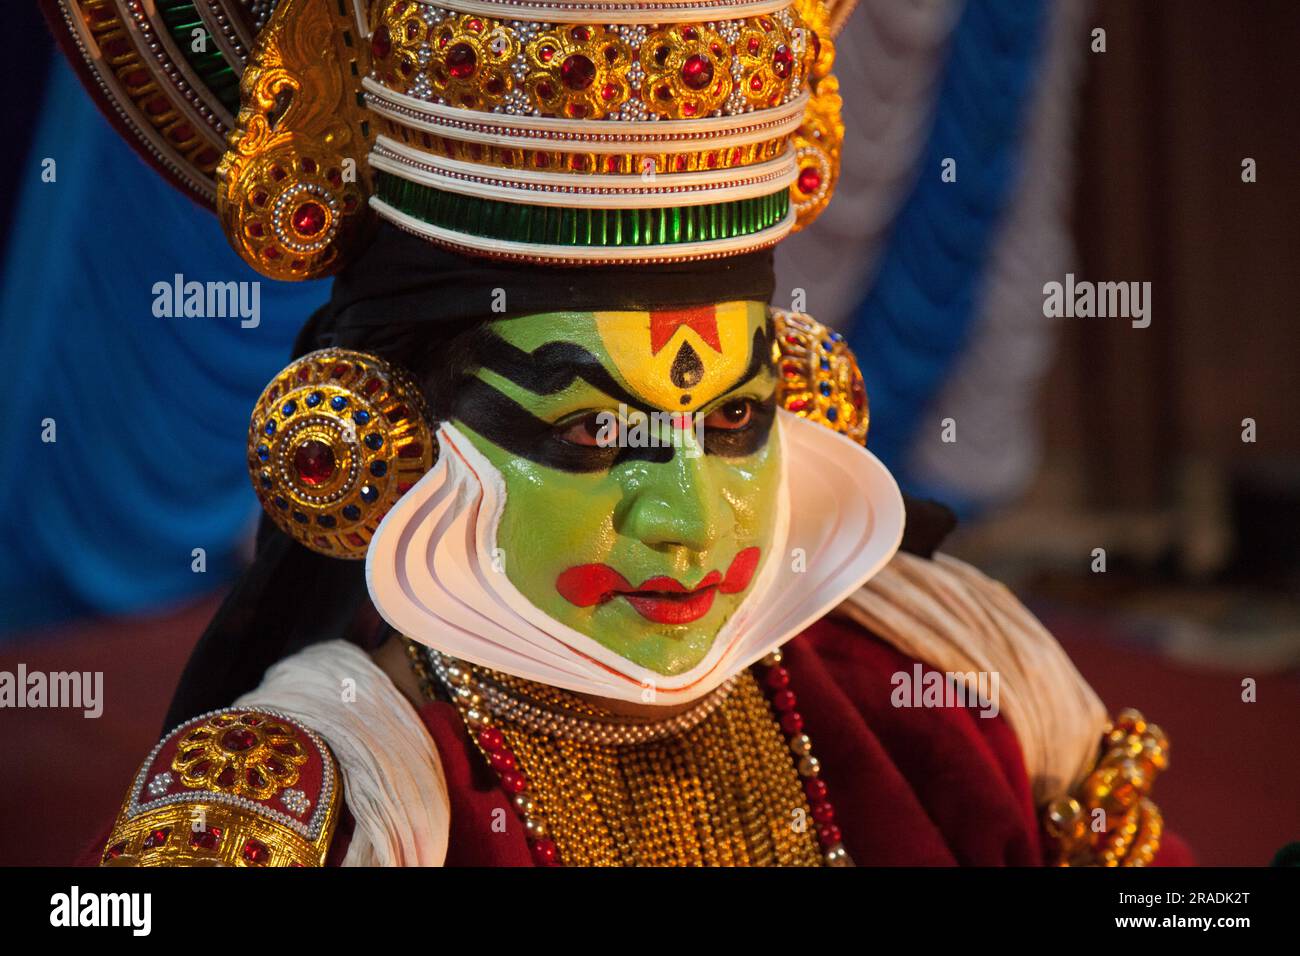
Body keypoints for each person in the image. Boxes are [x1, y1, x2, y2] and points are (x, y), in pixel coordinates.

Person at [49, 0, 1181, 867]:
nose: (686, 519)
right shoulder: (299, 802)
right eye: (592, 428)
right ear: (390, 429)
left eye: (735, 418)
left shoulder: (948, 671)